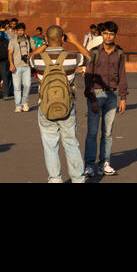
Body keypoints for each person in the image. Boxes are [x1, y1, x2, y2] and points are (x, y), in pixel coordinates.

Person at [29, 25, 89, 183]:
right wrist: (75, 42)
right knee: (71, 143)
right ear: (63, 39)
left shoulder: (37, 59)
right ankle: (78, 179)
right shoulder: (72, 57)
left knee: (50, 146)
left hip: (45, 106)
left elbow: (28, 58)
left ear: (47, 39)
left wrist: (44, 44)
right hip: (67, 106)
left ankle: (55, 179)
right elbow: (89, 58)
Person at [83, 21, 128, 177]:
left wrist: (123, 98)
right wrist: (91, 97)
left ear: (115, 35)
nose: (108, 36)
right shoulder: (94, 52)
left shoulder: (120, 53)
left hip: (111, 95)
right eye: (105, 33)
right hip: (96, 94)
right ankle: (89, 165)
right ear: (101, 34)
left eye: (111, 34)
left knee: (107, 133)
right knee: (92, 132)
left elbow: (122, 75)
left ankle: (104, 163)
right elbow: (88, 77)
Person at [9, 22, 35, 112]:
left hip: (26, 66)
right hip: (16, 66)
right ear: (16, 31)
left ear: (25, 31)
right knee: (17, 87)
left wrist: (30, 54)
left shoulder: (29, 39)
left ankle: (24, 102)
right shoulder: (12, 40)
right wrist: (11, 64)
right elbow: (10, 53)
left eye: (22, 30)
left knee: (27, 85)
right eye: (18, 30)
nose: (20, 32)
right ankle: (18, 105)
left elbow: (35, 50)